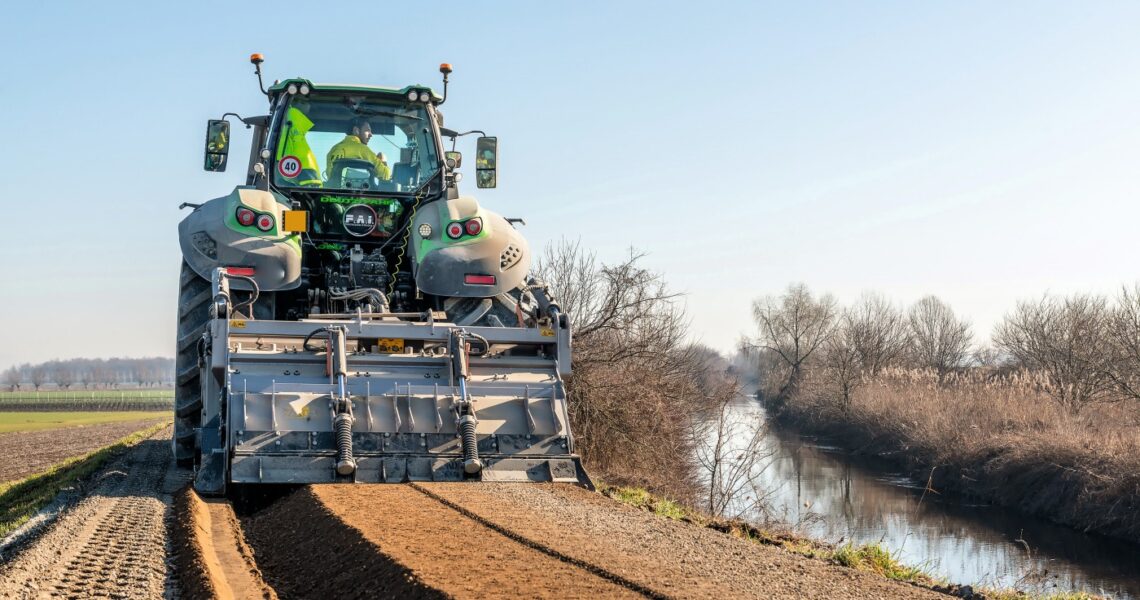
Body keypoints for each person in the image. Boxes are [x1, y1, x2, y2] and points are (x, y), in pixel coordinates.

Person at [326, 117, 392, 182]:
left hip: (335, 192)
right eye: (367, 130)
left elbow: (330, 176)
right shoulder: (363, 150)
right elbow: (385, 175)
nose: (371, 134)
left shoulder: (333, 150)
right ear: (356, 130)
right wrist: (383, 161)